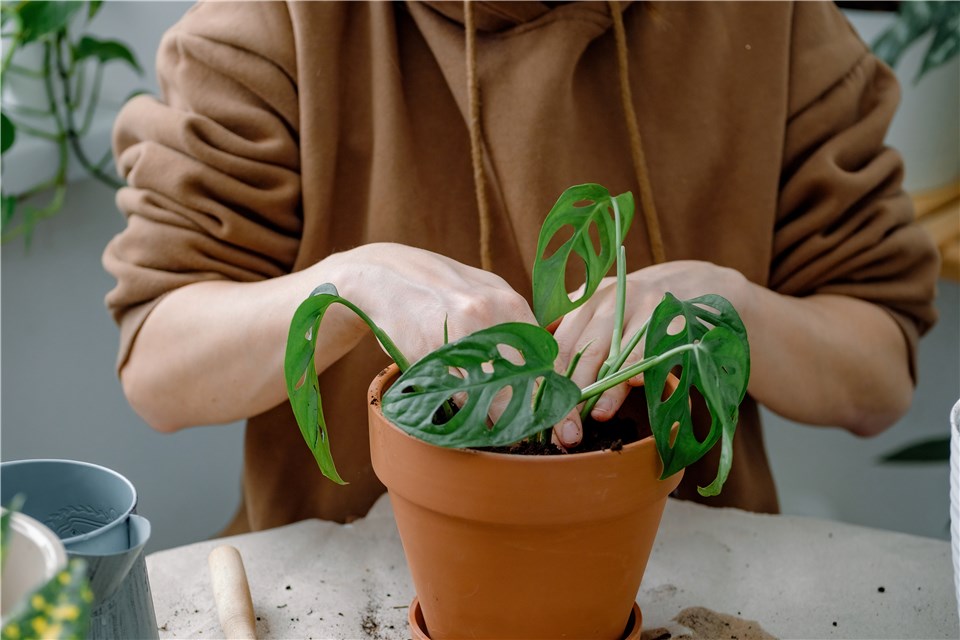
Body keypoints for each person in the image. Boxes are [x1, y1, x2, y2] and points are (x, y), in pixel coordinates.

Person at [102, 0, 940, 534]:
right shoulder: (277, 23)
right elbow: (160, 367)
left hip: (686, 582)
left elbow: (877, 376)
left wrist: (728, 306)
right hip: (352, 585)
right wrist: (349, 287)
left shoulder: (775, 21)